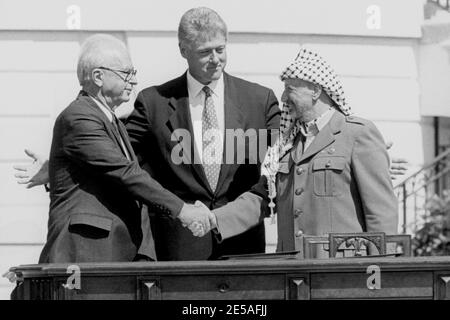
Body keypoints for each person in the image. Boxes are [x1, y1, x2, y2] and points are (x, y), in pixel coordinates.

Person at [207, 46, 399, 258]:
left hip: (341, 275)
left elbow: (381, 214)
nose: (283, 97)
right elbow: (263, 198)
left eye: (290, 88)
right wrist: (213, 219)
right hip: (293, 274)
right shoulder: (288, 144)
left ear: (315, 91)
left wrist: (381, 272)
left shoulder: (356, 134)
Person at [36, 34, 213, 263]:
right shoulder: (78, 117)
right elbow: (124, 173)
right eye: (126, 73)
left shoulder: (113, 121)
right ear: (98, 76)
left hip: (118, 253)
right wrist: (183, 211)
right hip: (86, 252)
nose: (134, 82)